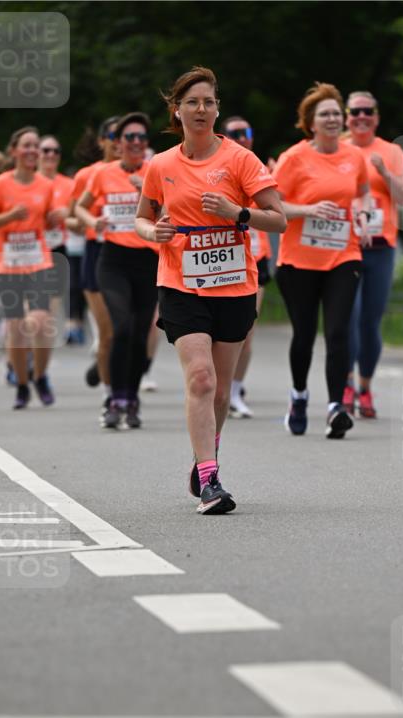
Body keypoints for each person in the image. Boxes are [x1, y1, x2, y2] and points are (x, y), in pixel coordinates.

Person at [136, 65, 285, 513]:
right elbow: (142, 217)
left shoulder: (241, 160)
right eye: (192, 102)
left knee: (220, 391)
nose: (201, 109)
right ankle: (209, 480)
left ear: (217, 109)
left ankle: (206, 456)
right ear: (177, 110)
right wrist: (153, 233)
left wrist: (236, 212)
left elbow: (278, 219)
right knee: (200, 377)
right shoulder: (162, 165)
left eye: (209, 102)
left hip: (234, 284)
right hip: (180, 283)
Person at [273, 82, 371, 439]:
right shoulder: (293, 158)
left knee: (339, 331)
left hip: (344, 255)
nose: (332, 119)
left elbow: (363, 194)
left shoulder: (354, 156)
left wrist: (363, 215)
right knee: (304, 335)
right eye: (324, 114)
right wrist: (309, 209)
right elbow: (270, 206)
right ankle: (299, 397)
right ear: (310, 123)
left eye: (335, 113)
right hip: (298, 261)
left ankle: (335, 407)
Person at [77, 112, 157, 429]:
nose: (136, 142)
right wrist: (92, 221)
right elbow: (80, 206)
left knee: (139, 334)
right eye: (129, 137)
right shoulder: (103, 173)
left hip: (148, 261)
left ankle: (131, 399)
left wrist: (146, 191)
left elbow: (175, 211)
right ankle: (114, 399)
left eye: (141, 137)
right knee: (121, 327)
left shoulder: (156, 171)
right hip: (113, 261)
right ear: (118, 143)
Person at [344, 91, 403, 418]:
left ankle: (365, 386)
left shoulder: (392, 151)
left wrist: (385, 173)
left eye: (368, 111)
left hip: (380, 247)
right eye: (355, 111)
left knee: (370, 322)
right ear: (347, 116)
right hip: (345, 246)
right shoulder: (336, 147)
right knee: (349, 317)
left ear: (376, 116)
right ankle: (346, 382)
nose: (361, 116)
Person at [0, 126, 61, 409]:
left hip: (38, 262)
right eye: (26, 145)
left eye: (35, 145)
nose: (32, 150)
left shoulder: (45, 185)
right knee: (15, 327)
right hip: (7, 265)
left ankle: (41, 376)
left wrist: (54, 219)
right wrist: (9, 216)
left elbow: (47, 220)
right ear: (14, 151)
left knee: (41, 322)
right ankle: (22, 385)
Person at [222, 115, 274, 418]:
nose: (242, 137)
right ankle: (217, 386)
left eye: (247, 131)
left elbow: (277, 209)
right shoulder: (217, 168)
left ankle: (235, 391)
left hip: (255, 257)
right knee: (220, 332)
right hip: (222, 257)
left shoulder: (263, 169)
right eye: (235, 133)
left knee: (247, 330)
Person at [69, 117, 119, 398]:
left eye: (125, 136)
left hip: (133, 253)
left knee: (131, 330)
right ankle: (110, 394)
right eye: (113, 136)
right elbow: (72, 218)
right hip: (97, 252)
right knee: (108, 332)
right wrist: (91, 221)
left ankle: (122, 383)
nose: (120, 142)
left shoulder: (143, 172)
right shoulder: (87, 175)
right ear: (102, 142)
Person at [38, 135, 82, 344]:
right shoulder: (27, 182)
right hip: (31, 247)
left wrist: (68, 214)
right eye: (46, 150)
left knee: (52, 296)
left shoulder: (69, 184)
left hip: (59, 245)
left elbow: (80, 217)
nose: (51, 155)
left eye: (55, 151)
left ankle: (41, 339)